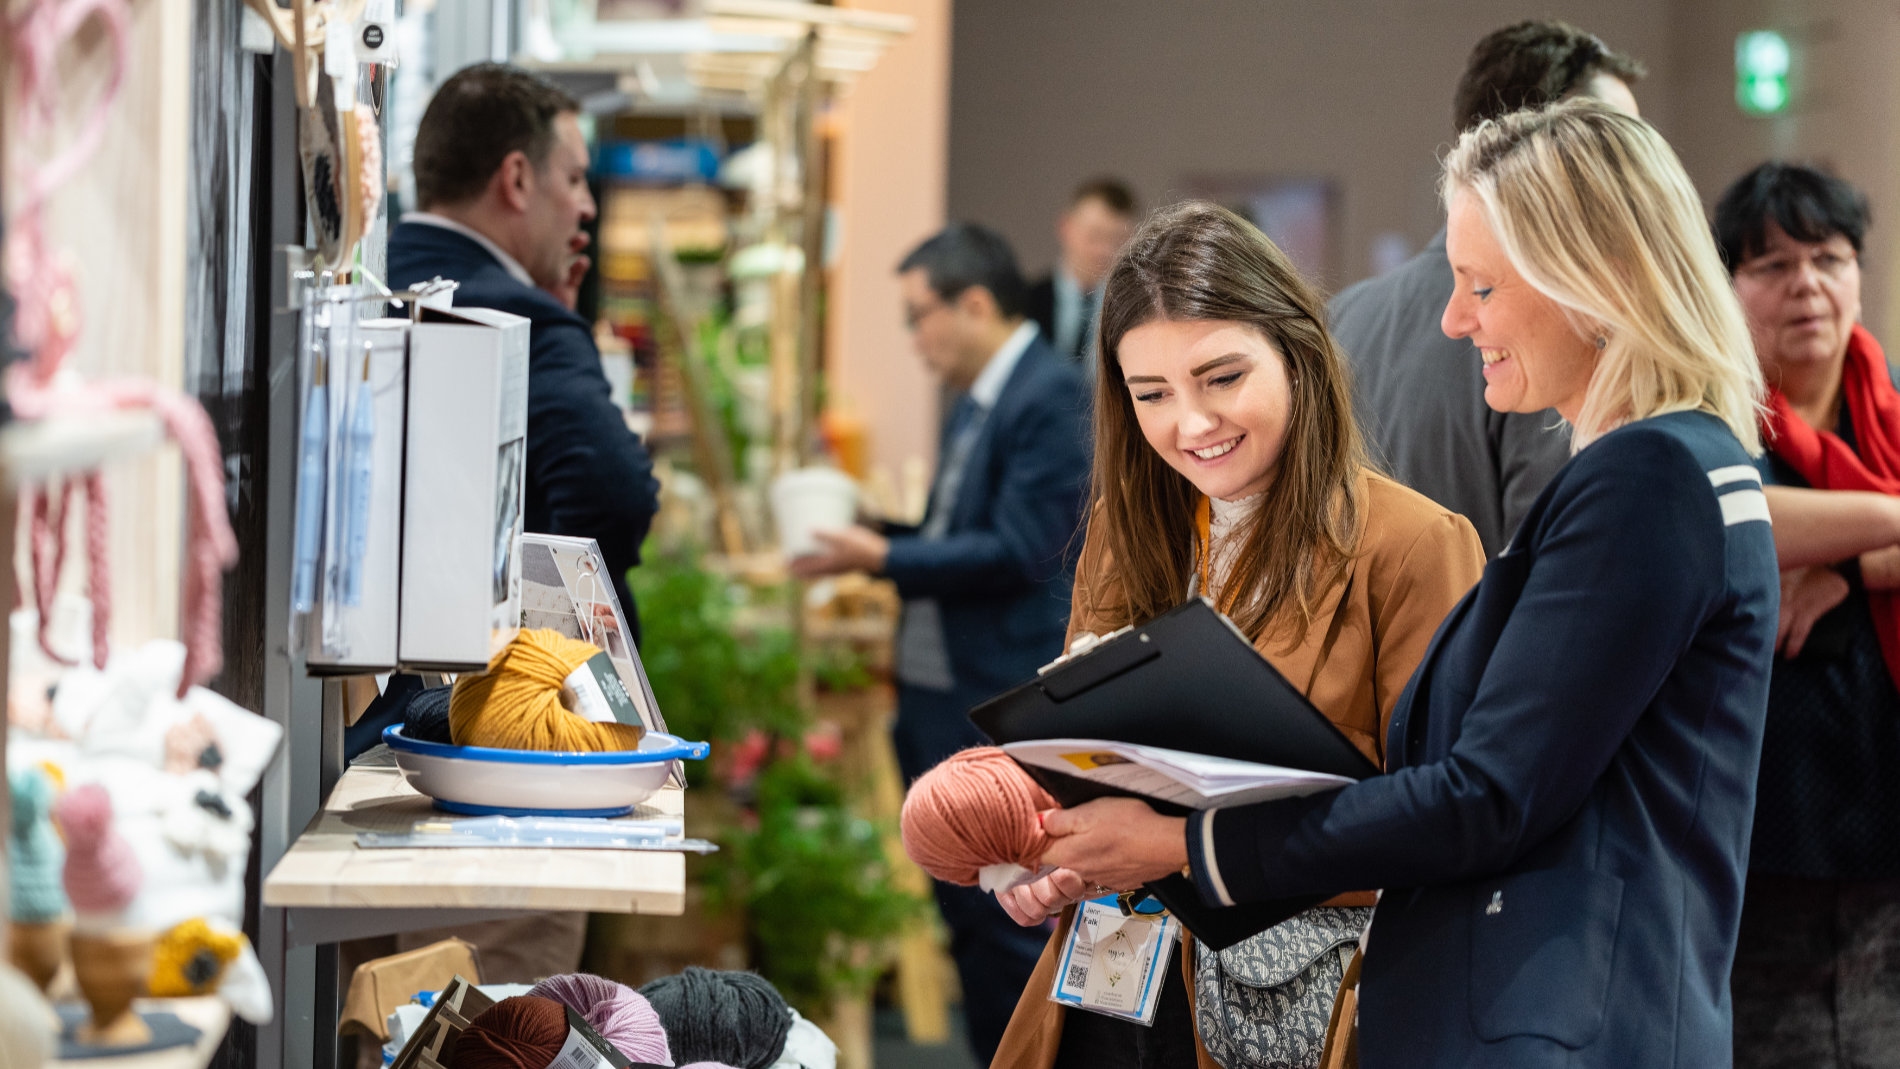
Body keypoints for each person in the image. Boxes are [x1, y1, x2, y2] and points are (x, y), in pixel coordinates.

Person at [1025, 102, 1779, 1068]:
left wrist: (1186, 846)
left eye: (1480, 286)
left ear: (1594, 283)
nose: (1453, 317)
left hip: (1556, 1014)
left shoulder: (1646, 477)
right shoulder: (1683, 463)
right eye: (1151, 394)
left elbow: (1482, 797)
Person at [990, 202, 1485, 1069]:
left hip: (1297, 1001)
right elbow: (1071, 760)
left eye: (1222, 378)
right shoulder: (1129, 523)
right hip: (1114, 990)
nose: (1192, 424)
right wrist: (1043, 859)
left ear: (1296, 353)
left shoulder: (1411, 545)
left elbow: (1440, 823)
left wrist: (1181, 849)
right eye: (1152, 395)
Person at [790, 223, 1091, 1063]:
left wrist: (880, 555)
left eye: (920, 316)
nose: (916, 339)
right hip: (945, 689)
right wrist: (880, 531)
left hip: (995, 687)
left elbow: (1019, 550)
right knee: (968, 907)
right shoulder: (987, 396)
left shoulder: (1046, 395)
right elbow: (958, 531)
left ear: (976, 304)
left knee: (1008, 916)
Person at [1712, 162, 1900, 1067]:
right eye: (1773, 265)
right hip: (1763, 845)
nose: (1807, 286)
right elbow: (1740, 528)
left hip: (1887, 843)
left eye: (1828, 257)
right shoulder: (1717, 426)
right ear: (1728, 285)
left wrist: (1851, 568)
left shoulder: (1893, 413)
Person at [1329, 20, 1644, 557]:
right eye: (1613, 145)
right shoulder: (1552, 328)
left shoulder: (1340, 315)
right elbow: (1557, 566)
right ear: (1543, 148)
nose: (1637, 173)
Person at [388, 62, 660, 641]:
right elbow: (615, 495)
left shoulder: (375, 278)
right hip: (507, 702)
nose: (587, 206)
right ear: (516, 179)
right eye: (574, 179)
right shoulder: (527, 316)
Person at [1026, 178, 1138, 364]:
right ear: (1065, 227)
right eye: (1094, 236)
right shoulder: (1027, 301)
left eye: (1117, 239)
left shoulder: (1135, 308)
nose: (1104, 251)